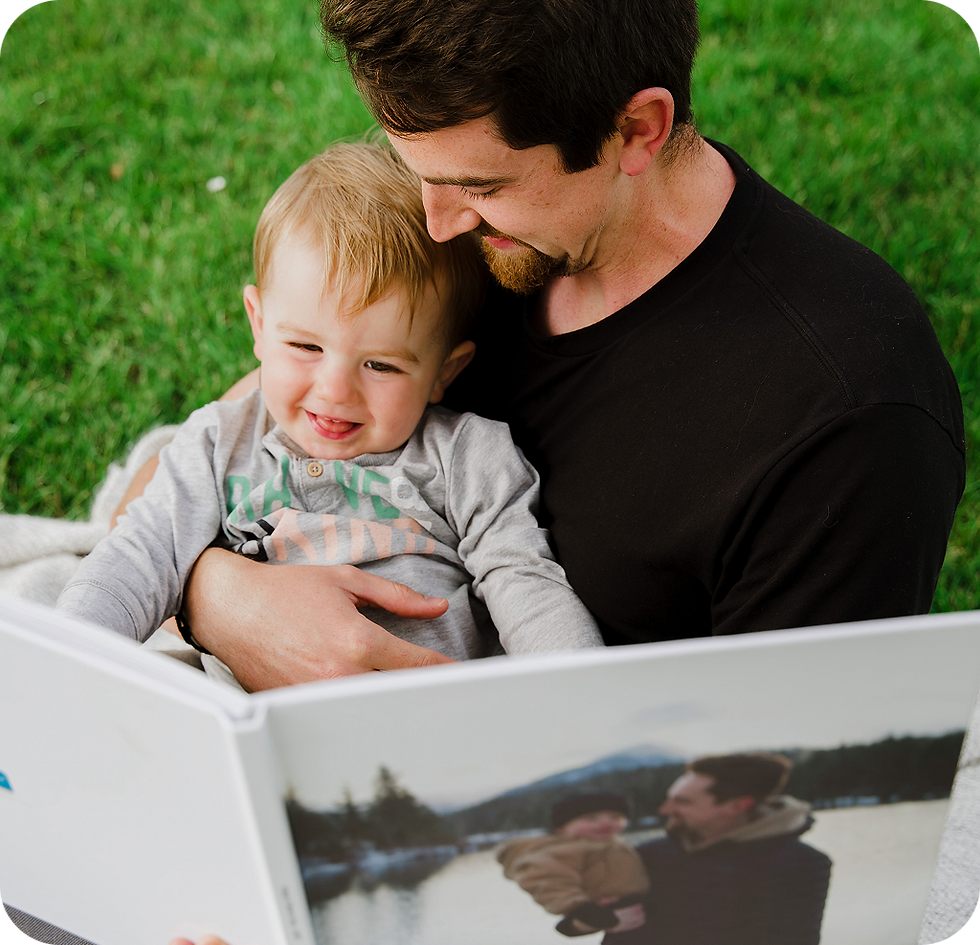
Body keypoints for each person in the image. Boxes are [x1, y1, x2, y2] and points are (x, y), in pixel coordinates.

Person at [140, 0, 964, 691]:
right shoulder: (457, 241)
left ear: (638, 130)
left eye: (482, 186)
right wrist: (221, 599)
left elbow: (767, 803)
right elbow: (195, 463)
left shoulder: (847, 423)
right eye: (416, 168)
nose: (437, 222)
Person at [56, 141, 603, 687]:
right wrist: (64, 663)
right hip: (257, 732)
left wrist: (579, 698)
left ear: (444, 372)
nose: (336, 390)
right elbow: (136, 558)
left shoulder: (463, 457)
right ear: (259, 325)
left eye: (382, 365)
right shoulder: (219, 444)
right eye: (306, 348)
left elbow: (526, 583)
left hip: (435, 725)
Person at [604, 753, 832, 945]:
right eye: (669, 798)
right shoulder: (649, 854)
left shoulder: (802, 864)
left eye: (683, 801)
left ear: (737, 806)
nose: (665, 809)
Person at [496, 792, 650, 936]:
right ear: (561, 829)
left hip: (632, 910)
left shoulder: (611, 843)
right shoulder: (564, 850)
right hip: (598, 911)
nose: (606, 823)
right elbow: (548, 880)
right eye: (591, 818)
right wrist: (579, 908)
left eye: (615, 817)